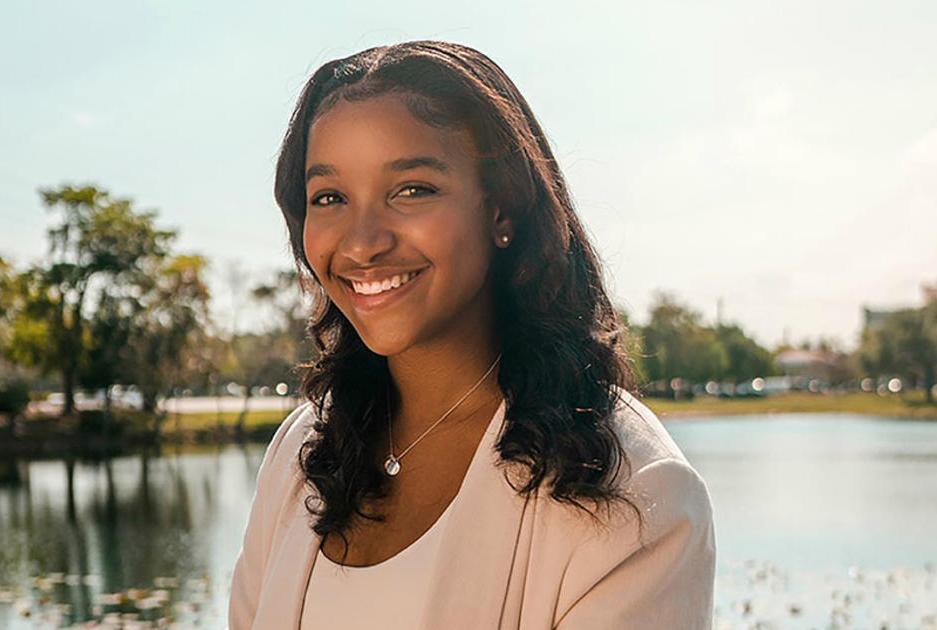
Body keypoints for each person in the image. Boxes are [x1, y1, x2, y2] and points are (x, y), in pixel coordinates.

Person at [228, 40, 715, 629]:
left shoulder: (636, 494)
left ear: (502, 210)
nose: (361, 243)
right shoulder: (298, 453)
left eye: (411, 189)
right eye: (329, 197)